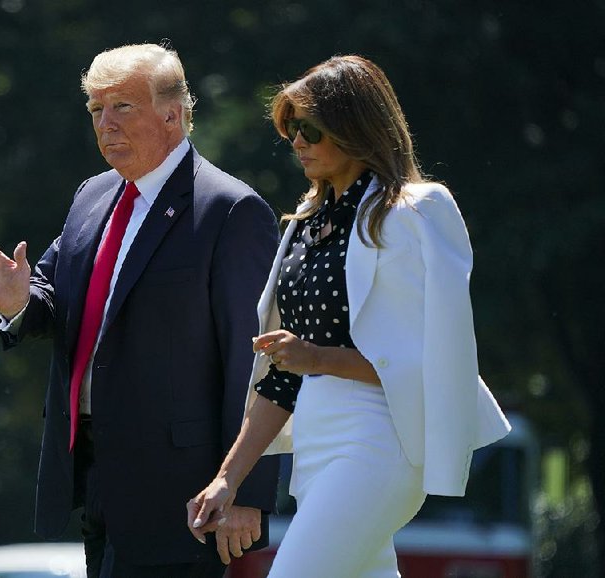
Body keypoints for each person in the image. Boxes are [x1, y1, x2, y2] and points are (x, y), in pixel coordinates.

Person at [0, 43, 280, 578]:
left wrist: (247, 489)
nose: (105, 123)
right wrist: (18, 303)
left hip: (184, 492)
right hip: (95, 477)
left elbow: (257, 363)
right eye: (95, 109)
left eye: (122, 107)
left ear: (172, 114)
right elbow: (53, 303)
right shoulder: (92, 196)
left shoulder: (230, 210)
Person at [186, 55, 512, 577]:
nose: (297, 142)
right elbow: (279, 380)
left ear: (355, 128)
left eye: (310, 129)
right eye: (292, 129)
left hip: (382, 441)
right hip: (315, 447)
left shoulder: (413, 211)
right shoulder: (302, 226)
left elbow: (434, 361)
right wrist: (228, 478)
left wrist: (317, 357)